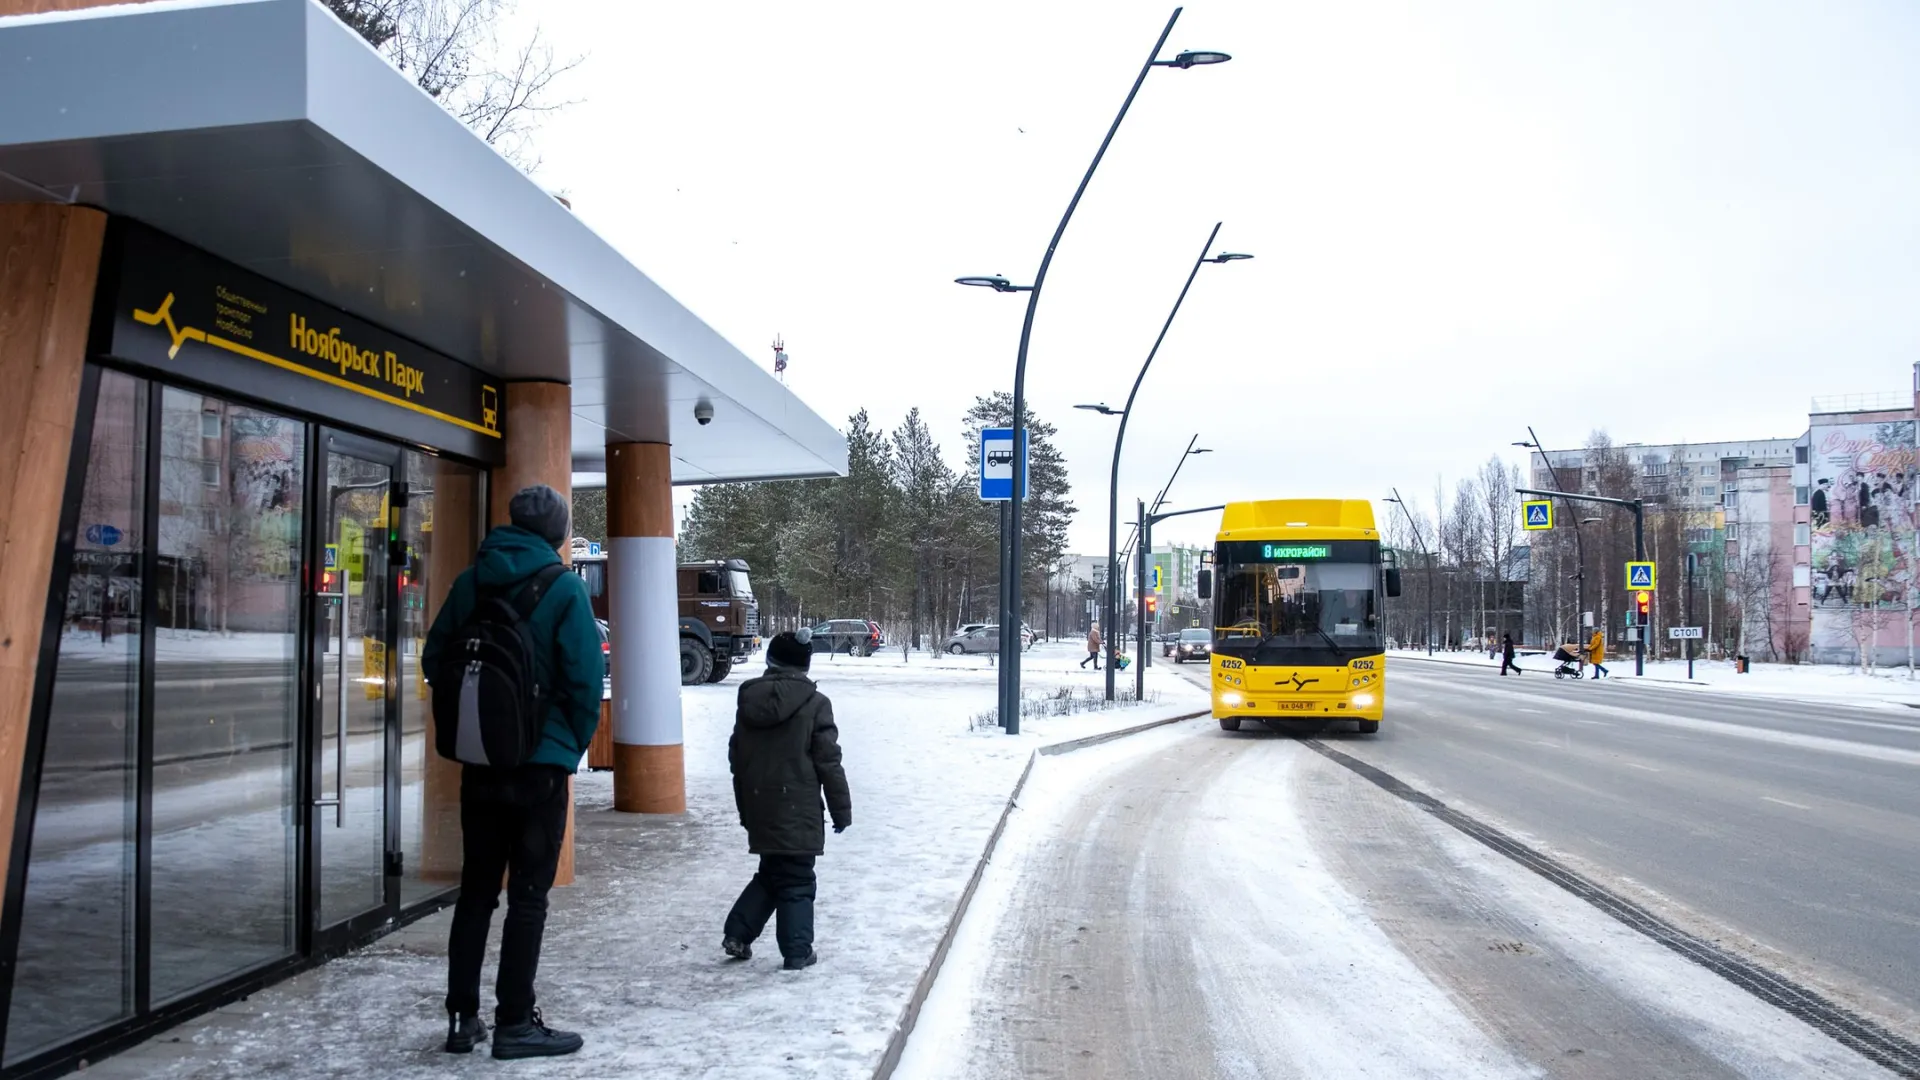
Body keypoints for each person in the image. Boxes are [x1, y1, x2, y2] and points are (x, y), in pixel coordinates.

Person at [423, 484, 603, 1059]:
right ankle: (515, 1024)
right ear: (557, 533)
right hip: (540, 771)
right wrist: (564, 744)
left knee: (476, 892)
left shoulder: (471, 581)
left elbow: (435, 660)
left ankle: (461, 1019)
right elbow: (583, 682)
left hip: (481, 763)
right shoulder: (565, 588)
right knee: (528, 896)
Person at [723, 627, 853, 970]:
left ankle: (738, 933)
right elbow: (828, 762)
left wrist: (745, 808)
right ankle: (797, 952)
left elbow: (738, 757)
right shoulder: (815, 704)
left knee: (772, 872)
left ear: (770, 661)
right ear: (805, 666)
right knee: (796, 878)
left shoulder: (749, 699)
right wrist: (842, 811)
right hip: (797, 808)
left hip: (759, 803)